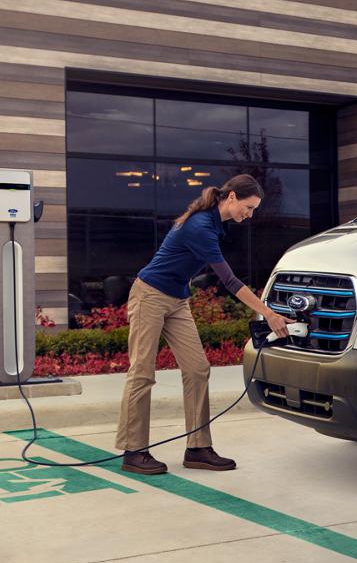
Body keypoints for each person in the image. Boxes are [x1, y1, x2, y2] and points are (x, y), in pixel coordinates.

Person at [115, 174, 291, 475]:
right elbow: (230, 281)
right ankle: (133, 452)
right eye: (247, 208)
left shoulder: (214, 224)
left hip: (177, 299)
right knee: (142, 372)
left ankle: (197, 448)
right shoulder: (200, 226)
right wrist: (268, 314)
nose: (248, 216)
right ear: (232, 196)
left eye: (253, 211)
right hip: (150, 296)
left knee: (197, 369)